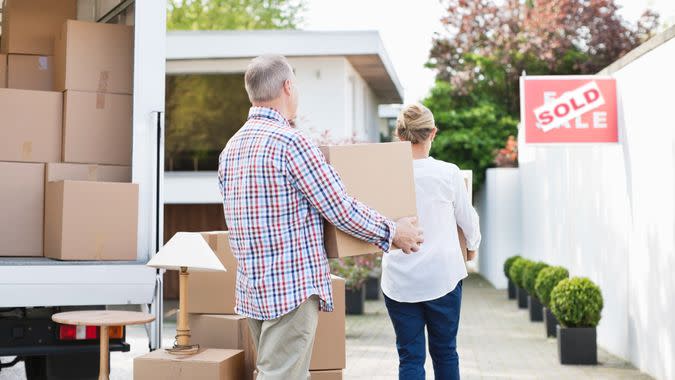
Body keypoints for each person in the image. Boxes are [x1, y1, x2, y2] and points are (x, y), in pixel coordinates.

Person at [217, 55, 424, 380]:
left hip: (253, 289)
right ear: (288, 86)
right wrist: (393, 231)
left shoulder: (231, 148)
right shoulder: (291, 142)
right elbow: (339, 207)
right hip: (290, 289)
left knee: (277, 372)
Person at [381, 103, 481, 380]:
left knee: (410, 357)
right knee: (446, 352)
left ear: (399, 134)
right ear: (433, 133)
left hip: (399, 282)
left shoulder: (386, 174)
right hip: (443, 278)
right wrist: (471, 248)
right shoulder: (448, 173)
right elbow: (468, 221)